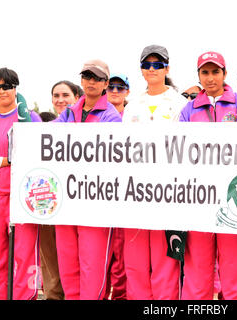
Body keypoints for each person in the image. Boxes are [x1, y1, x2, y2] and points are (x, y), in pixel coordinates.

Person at [179, 51, 237, 300]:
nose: (210, 77)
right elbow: (177, 152)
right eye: (205, 72)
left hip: (234, 201)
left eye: (215, 72)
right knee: (197, 274)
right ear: (199, 76)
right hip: (199, 201)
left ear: (225, 74)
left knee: (235, 273)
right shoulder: (188, 110)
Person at [53, 59, 122, 300]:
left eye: (97, 78)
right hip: (66, 200)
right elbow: (45, 137)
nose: (91, 81)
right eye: (87, 76)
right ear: (81, 80)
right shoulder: (69, 113)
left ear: (105, 84)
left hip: (96, 202)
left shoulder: (111, 117)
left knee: (93, 269)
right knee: (68, 265)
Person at [122, 45, 186, 300]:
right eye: (147, 65)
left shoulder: (181, 104)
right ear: (141, 70)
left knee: (165, 260)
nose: (152, 69)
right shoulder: (131, 105)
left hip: (168, 190)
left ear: (167, 68)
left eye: (157, 65)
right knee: (135, 259)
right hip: (136, 191)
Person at [0, 67, 42, 300]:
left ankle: (25, 297)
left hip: (23, 198)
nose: (2, 91)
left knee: (24, 255)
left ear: (15, 88)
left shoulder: (31, 118)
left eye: (7, 86)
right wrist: (6, 160)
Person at [104, 73, 130, 300]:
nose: (114, 90)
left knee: (122, 257)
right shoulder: (97, 116)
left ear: (127, 92)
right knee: (101, 256)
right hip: (99, 194)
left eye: (120, 87)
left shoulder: (133, 117)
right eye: (110, 86)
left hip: (126, 195)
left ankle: (120, 296)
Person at [38, 109, 64, 300]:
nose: (60, 99)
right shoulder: (41, 128)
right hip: (49, 203)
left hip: (78, 203)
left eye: (66, 95)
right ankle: (53, 296)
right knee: (49, 256)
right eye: (56, 95)